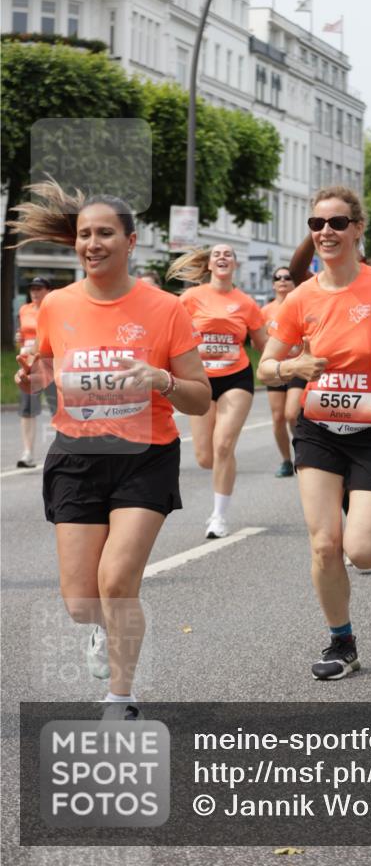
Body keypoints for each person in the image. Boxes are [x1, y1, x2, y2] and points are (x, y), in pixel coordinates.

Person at [10, 182, 210, 709]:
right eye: (84, 235)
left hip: (146, 456)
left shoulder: (165, 309)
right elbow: (48, 366)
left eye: (104, 234)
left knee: (118, 581)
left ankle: (120, 699)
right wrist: (33, 378)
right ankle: (103, 627)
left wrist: (160, 379)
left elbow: (200, 398)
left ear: (130, 241)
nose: (92, 244)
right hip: (76, 455)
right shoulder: (56, 304)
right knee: (81, 602)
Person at [258, 186, 371, 680]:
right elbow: (265, 366)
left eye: (337, 223)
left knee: (362, 552)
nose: (326, 232)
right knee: (324, 544)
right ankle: (342, 642)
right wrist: (292, 366)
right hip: (319, 430)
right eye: (317, 224)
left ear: (357, 229)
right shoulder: (301, 297)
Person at [168, 244, 267, 539]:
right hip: (200, 380)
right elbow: (171, 333)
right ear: (209, 264)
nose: (223, 258)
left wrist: (287, 360)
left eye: (228, 255)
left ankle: (219, 517)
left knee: (223, 445)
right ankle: (225, 468)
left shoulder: (246, 303)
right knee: (205, 457)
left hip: (236, 377)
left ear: (235, 264)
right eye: (217, 255)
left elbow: (265, 344)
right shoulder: (190, 298)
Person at [261, 266, 305, 477]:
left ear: (294, 283)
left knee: (291, 414)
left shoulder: (301, 306)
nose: (282, 280)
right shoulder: (265, 311)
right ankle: (286, 461)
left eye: (287, 277)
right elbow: (259, 339)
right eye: (277, 277)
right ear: (273, 284)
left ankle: (301, 450)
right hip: (275, 368)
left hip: (297, 368)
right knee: (278, 417)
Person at [15, 276, 57, 467]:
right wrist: (20, 339)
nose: (35, 292)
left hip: (50, 362)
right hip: (29, 362)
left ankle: (64, 450)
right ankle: (27, 453)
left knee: (58, 408)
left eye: (39, 288)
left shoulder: (55, 309)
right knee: (28, 408)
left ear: (48, 291)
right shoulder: (24, 309)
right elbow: (23, 335)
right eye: (32, 288)